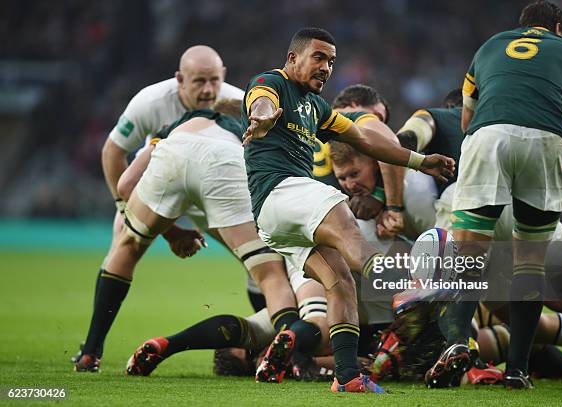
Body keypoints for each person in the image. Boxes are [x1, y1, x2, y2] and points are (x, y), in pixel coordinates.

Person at [241, 27, 455, 393]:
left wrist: (420, 162)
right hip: (282, 191)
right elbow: (259, 100)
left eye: (331, 61)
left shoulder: (319, 108)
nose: (326, 67)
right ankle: (404, 291)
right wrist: (262, 116)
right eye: (319, 57)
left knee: (339, 282)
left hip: (275, 217)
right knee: (348, 228)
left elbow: (365, 141)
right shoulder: (270, 83)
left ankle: (347, 377)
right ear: (293, 58)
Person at [429, 1, 562, 390]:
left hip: (488, 137)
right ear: (560, 28)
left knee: (470, 252)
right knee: (529, 263)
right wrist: (556, 162)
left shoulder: (490, 46)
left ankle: (457, 343)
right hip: (548, 139)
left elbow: (468, 121)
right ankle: (517, 370)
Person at [76, 105, 297, 374]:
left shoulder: (173, 126)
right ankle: (292, 348)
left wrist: (171, 233)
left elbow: (124, 186)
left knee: (128, 245)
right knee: (269, 273)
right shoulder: (255, 129)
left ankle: (90, 352)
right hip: (226, 162)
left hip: (175, 152)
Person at [74, 45, 248, 372]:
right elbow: (113, 153)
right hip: (159, 189)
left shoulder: (239, 103)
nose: (208, 90)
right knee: (126, 243)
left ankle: (268, 347)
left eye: (214, 80)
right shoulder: (151, 102)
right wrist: (127, 209)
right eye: (198, 82)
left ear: (223, 75)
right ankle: (91, 350)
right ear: (180, 79)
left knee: (258, 258)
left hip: (212, 193)